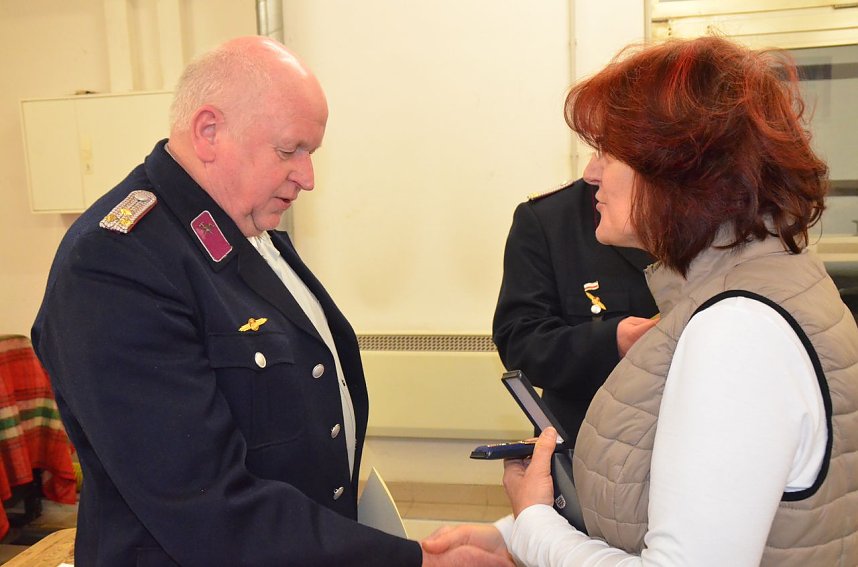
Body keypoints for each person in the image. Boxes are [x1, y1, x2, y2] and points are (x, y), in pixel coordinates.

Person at [31, 36, 509, 567]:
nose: (308, 177)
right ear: (209, 131)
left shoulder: (245, 226)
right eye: (289, 151)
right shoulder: (118, 263)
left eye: (311, 153)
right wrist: (411, 562)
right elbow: (203, 504)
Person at [424, 35, 858, 565]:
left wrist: (535, 523)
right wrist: (512, 535)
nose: (590, 174)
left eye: (608, 152)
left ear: (679, 171)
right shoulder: (754, 286)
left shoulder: (738, 326)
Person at [493, 178, 658, 441]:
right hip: (588, 447)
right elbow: (519, 342)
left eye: (606, 153)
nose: (591, 170)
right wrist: (611, 342)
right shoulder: (551, 219)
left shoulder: (723, 212)